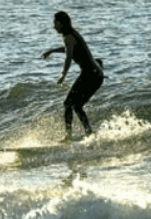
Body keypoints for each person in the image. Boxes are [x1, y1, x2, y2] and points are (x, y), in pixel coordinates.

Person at [41, 11, 104, 141]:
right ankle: (88, 133)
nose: (54, 27)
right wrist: (52, 51)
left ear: (61, 23)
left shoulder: (68, 36)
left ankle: (69, 136)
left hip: (91, 74)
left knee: (68, 104)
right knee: (76, 105)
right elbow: (68, 48)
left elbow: (68, 57)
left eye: (55, 23)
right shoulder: (71, 35)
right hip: (95, 74)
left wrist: (63, 75)